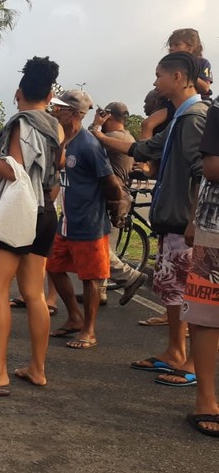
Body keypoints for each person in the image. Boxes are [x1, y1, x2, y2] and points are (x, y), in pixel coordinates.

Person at [92, 51, 209, 385]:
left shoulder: (194, 118)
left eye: (159, 75)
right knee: (172, 290)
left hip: (184, 221)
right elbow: (144, 150)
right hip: (172, 219)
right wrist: (100, 136)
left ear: (178, 77)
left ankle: (192, 363)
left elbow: (202, 173)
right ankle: (175, 351)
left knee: (193, 296)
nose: (155, 82)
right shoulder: (179, 119)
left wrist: (194, 220)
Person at [0, 57, 64, 395]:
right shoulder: (55, 126)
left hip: (20, 213)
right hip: (47, 210)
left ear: (19, 92)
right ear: (49, 95)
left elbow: (13, 170)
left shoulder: (20, 123)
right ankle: (37, 368)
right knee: (34, 293)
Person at [45, 90, 126, 350]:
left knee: (91, 278)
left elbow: (110, 182)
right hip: (67, 221)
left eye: (60, 108)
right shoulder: (64, 140)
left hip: (89, 223)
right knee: (54, 268)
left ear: (76, 114)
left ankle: (89, 331)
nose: (55, 111)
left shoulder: (89, 144)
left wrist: (114, 206)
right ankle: (74, 318)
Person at [182, 100, 219, 436]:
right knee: (208, 313)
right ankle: (206, 398)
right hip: (216, 223)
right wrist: (194, 217)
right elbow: (211, 168)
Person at [94, 102, 148, 303]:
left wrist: (95, 127)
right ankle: (99, 291)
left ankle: (130, 277)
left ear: (108, 116)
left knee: (97, 246)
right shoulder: (128, 137)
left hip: (111, 197)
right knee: (106, 246)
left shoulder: (110, 139)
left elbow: (87, 145)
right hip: (120, 196)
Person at [167, 28, 212, 98]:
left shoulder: (203, 63)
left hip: (197, 101)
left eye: (177, 45)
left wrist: (189, 73)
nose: (171, 48)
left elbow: (205, 88)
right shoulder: (169, 65)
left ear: (190, 47)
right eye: (170, 45)